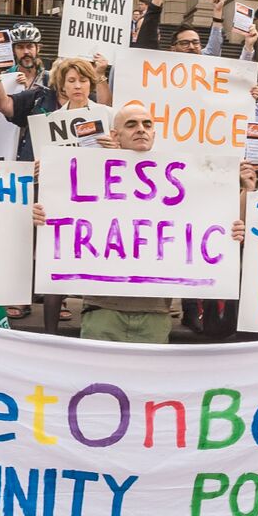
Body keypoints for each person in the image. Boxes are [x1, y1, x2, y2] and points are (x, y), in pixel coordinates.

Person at [72, 103, 179, 344]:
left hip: (155, 311)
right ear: (114, 135)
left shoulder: (178, 181)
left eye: (147, 124)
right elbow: (63, 215)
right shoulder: (90, 175)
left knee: (149, 382)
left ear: (154, 133)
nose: (141, 129)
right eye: (131, 125)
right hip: (103, 309)